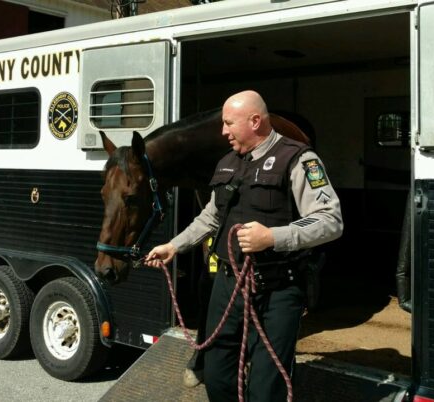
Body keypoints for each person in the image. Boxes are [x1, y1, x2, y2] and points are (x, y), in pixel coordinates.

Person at [145, 90, 343, 401]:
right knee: (216, 374)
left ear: (255, 121)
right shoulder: (226, 162)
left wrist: (273, 237)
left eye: (228, 123)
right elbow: (211, 216)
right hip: (227, 286)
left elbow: (330, 220)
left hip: (277, 289)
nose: (223, 132)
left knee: (266, 388)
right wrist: (175, 245)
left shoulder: (299, 159)